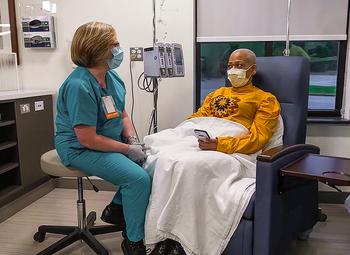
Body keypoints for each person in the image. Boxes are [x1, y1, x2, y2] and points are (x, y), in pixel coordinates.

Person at [150, 48, 280, 254]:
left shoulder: (265, 100)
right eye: (229, 66)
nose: (233, 70)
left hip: (235, 152)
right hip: (205, 143)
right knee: (165, 158)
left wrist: (219, 144)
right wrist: (193, 133)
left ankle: (179, 239)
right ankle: (161, 233)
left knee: (190, 166)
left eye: (239, 65)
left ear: (252, 69)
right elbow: (197, 119)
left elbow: (257, 140)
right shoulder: (216, 94)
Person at [55, 21, 151, 255]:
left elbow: (123, 113)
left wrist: (132, 139)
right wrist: (126, 150)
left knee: (148, 161)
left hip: (105, 141)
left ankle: (116, 209)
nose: (119, 49)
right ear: (98, 49)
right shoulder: (79, 85)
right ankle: (133, 241)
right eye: (115, 44)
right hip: (80, 148)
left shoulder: (112, 77)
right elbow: (87, 139)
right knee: (138, 179)